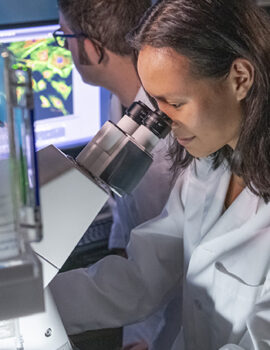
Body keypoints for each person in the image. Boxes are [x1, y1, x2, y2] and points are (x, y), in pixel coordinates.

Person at [50, 0, 270, 349]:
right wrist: (34, 304)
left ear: (239, 79)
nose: (164, 121)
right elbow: (143, 275)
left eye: (176, 103)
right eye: (154, 102)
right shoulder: (208, 165)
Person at [53, 1, 175, 349]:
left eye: (65, 38)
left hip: (171, 317)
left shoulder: (173, 137)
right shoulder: (124, 104)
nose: (67, 47)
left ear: (91, 48)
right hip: (139, 303)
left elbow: (156, 272)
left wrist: (37, 303)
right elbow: (131, 216)